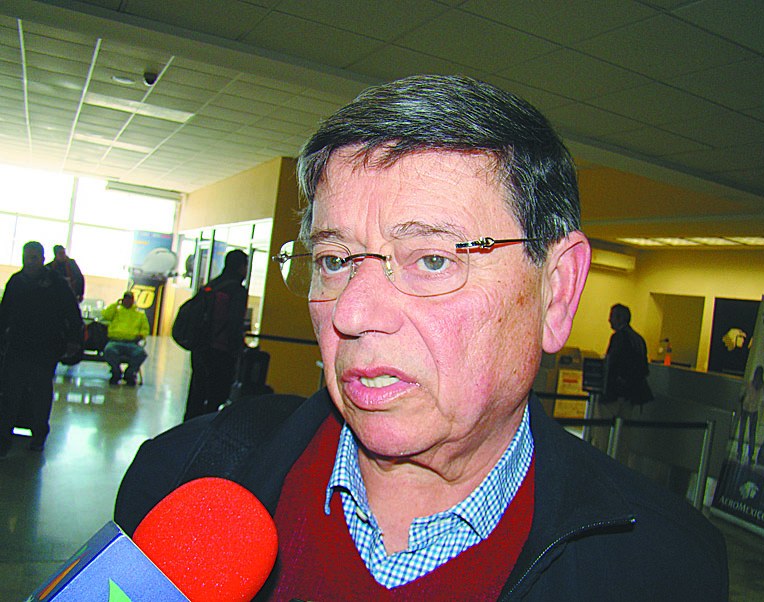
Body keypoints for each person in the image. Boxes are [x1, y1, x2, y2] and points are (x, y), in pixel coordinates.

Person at [114, 75, 727, 600]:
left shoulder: (665, 567)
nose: (352, 312)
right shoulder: (180, 483)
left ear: (557, 291)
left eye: (432, 259)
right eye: (334, 260)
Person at [0, 241, 83, 455]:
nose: (29, 262)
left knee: (40, 393)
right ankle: (3, 438)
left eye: (33, 258)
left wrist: (73, 340)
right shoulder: (16, 281)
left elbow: (72, 312)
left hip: (45, 348)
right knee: (10, 393)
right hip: (17, 346)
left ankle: (38, 435)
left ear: (42, 259)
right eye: (26, 258)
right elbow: (4, 312)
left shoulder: (56, 283)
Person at [183, 249, 249, 421]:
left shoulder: (211, 285)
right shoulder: (236, 291)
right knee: (216, 397)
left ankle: (189, 428)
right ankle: (209, 430)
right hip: (221, 351)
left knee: (197, 392)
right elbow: (234, 323)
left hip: (200, 348)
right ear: (241, 267)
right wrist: (238, 349)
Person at [600, 303, 653, 411]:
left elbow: (611, 362)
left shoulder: (619, 337)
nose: (609, 320)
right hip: (633, 393)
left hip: (616, 392)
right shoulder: (638, 338)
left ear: (621, 319)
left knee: (604, 418)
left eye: (612, 316)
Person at [101, 291, 149, 385]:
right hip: (115, 341)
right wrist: (116, 304)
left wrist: (141, 335)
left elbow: (145, 329)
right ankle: (116, 372)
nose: (127, 301)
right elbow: (105, 315)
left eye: (130, 299)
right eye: (126, 299)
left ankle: (130, 373)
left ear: (133, 301)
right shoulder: (116, 312)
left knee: (141, 354)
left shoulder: (140, 315)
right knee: (109, 350)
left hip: (131, 343)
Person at [737, 365, 764, 465]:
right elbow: (742, 397)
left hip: (751, 410)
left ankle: (748, 455)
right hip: (747, 409)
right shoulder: (753, 384)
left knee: (749, 433)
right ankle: (742, 454)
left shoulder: (759, 385)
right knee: (745, 433)